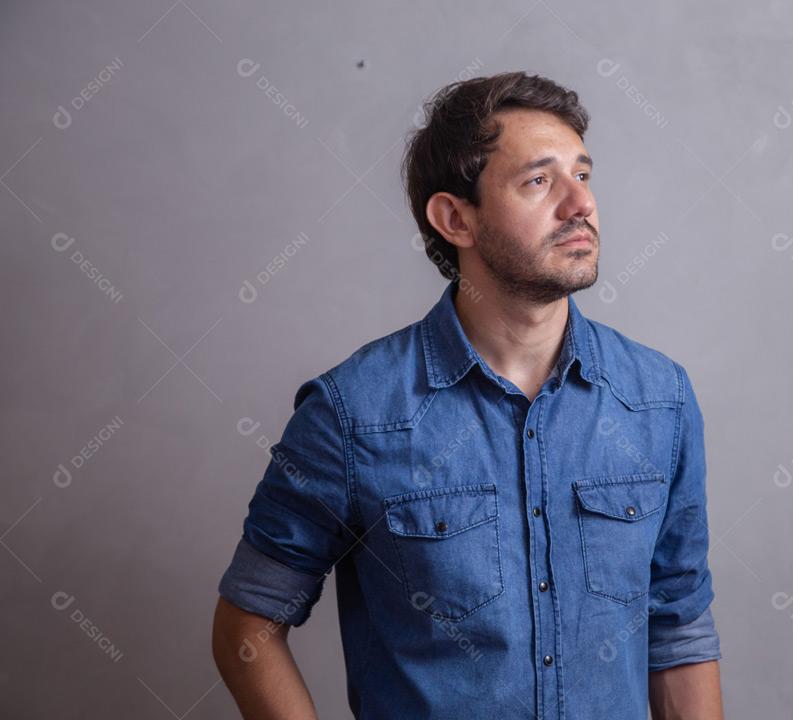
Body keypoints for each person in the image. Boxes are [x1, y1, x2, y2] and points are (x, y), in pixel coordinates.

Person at [212, 70, 724, 719]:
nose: (580, 204)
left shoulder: (658, 400)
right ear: (456, 218)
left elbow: (678, 630)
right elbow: (247, 626)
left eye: (584, 176)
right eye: (539, 181)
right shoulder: (354, 413)